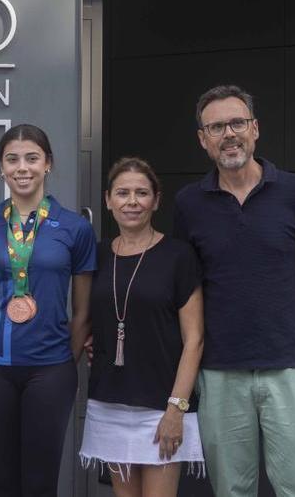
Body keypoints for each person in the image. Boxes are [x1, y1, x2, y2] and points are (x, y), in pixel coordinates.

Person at [174, 84, 295, 497]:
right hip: (219, 372)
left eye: (237, 123)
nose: (228, 134)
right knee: (232, 490)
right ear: (202, 139)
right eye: (216, 127)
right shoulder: (189, 204)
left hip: (288, 369)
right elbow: (181, 292)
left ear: (255, 129)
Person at [0, 123, 96, 497]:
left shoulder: (75, 228)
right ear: (1, 168)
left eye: (32, 158)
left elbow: (82, 312)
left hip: (51, 371)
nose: (23, 167)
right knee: (1, 482)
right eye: (13, 159)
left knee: (40, 483)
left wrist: (59, 359)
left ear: (48, 164)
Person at [78, 157, 205, 497]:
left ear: (156, 200)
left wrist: (176, 408)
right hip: (111, 402)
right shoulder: (99, 255)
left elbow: (195, 340)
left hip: (162, 406)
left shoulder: (179, 256)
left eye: (141, 193)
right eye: (122, 193)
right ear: (107, 200)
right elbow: (93, 316)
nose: (131, 202)